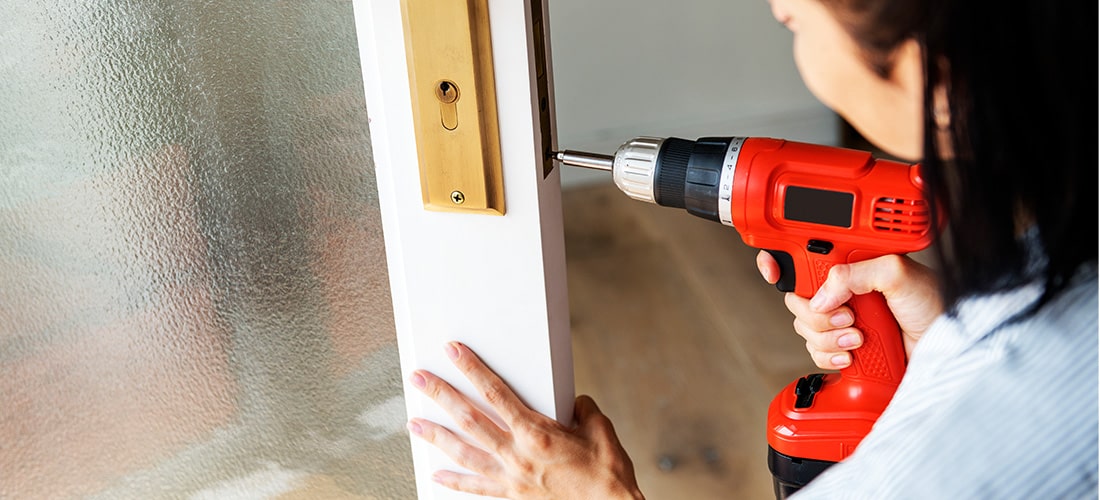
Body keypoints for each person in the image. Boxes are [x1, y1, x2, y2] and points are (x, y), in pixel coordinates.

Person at [403, 0, 1098, 497]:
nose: (778, 6)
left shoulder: (1012, 417)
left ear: (931, 71)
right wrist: (943, 349)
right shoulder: (1059, 263)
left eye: (800, 16)